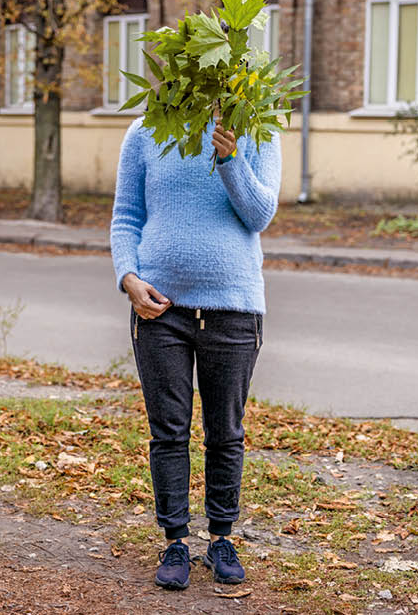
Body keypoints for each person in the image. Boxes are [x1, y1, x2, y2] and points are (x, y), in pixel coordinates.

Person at [109, 112, 281, 590]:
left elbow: (260, 215)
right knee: (168, 431)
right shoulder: (145, 131)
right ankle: (175, 542)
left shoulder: (256, 128)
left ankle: (221, 538)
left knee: (225, 432)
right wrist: (128, 278)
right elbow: (126, 217)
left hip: (234, 308)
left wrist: (230, 158)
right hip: (160, 311)